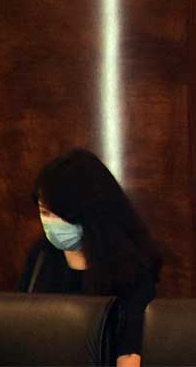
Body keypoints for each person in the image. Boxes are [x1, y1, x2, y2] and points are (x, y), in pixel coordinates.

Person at [16, 148, 163, 367]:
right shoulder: (41, 257)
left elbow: (131, 352)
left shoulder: (131, 268)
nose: (51, 223)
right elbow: (18, 329)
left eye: (60, 214)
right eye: (44, 212)